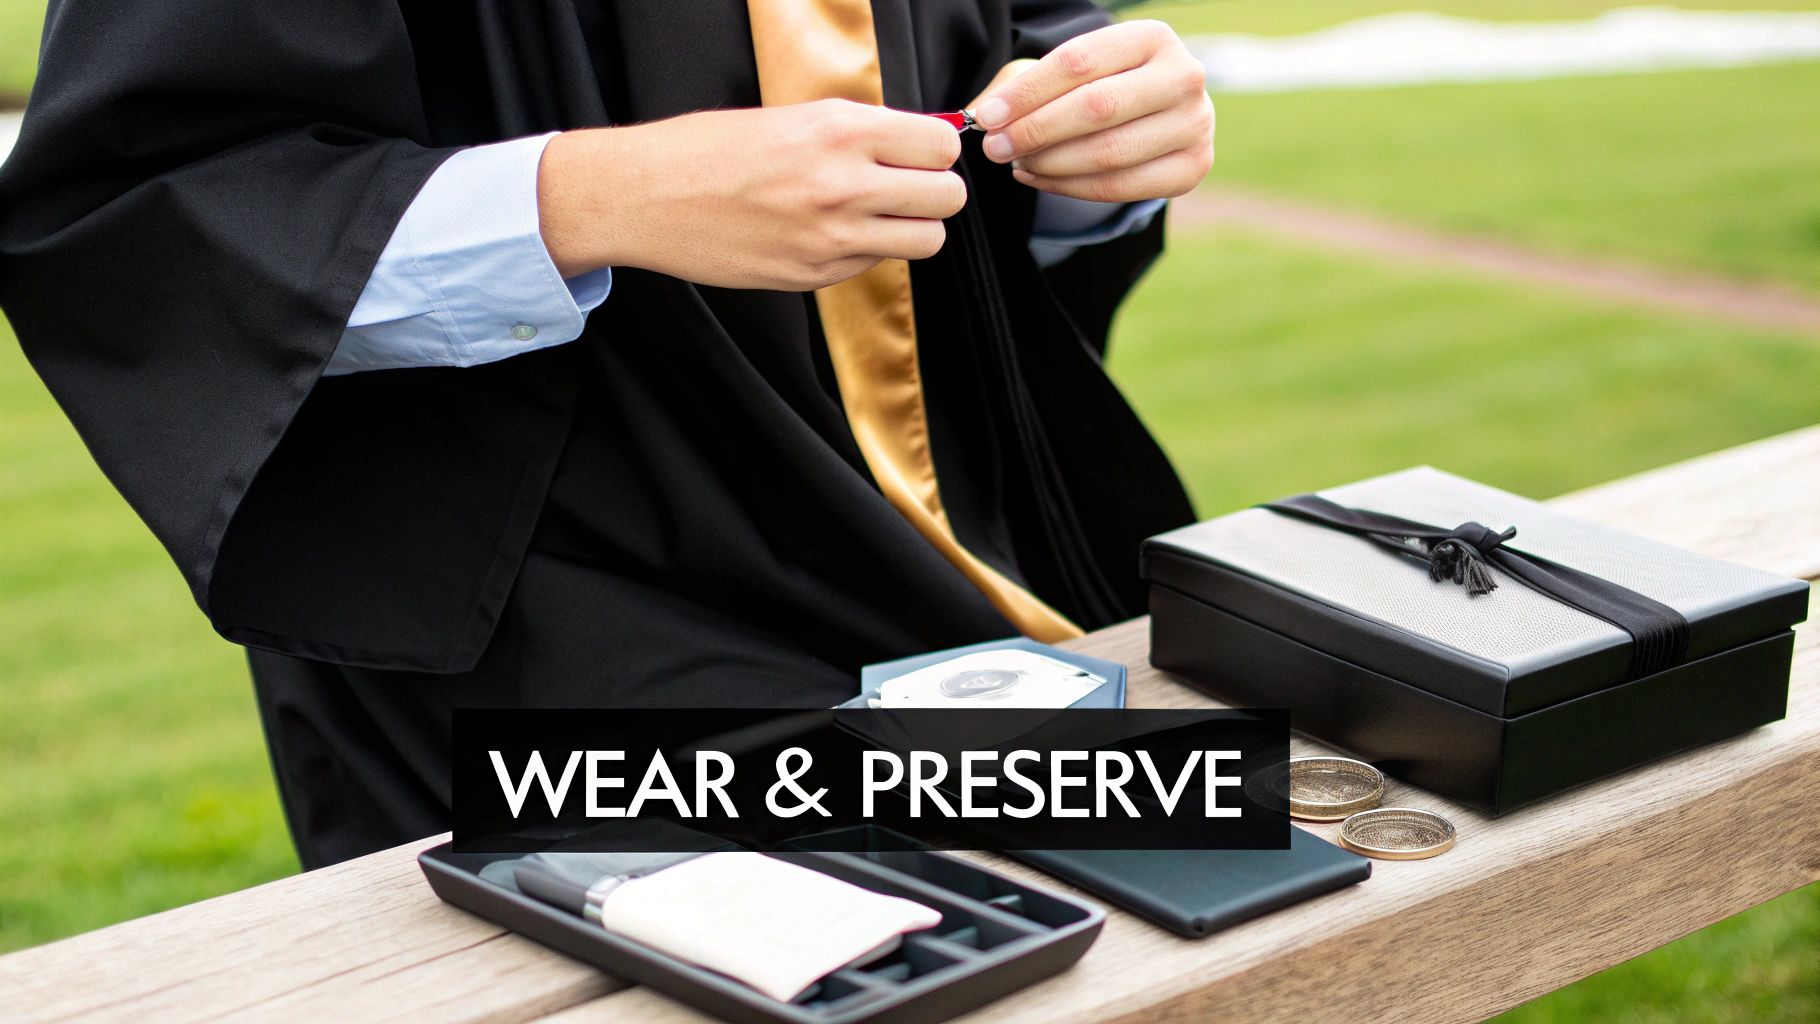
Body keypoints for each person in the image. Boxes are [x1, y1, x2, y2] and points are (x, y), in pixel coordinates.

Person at [0, 0, 1212, 868]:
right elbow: (142, 218)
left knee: (1264, 903)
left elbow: (997, 43)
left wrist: (1094, 135)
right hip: (568, 651)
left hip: (985, 588)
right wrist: (587, 200)